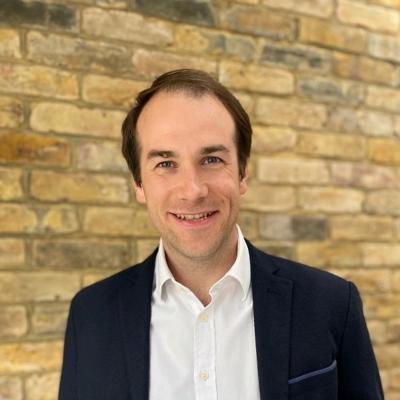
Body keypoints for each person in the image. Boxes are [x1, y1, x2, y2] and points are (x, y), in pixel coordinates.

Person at [59, 69, 384, 400]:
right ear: (139, 184)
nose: (192, 190)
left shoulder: (331, 304)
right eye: (166, 164)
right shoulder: (91, 316)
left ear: (242, 174)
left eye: (212, 159)